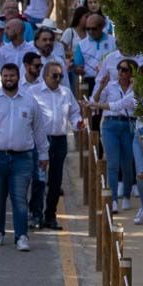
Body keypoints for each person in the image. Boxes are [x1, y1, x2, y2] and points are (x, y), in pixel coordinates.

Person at [0, 63, 49, 251]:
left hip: (23, 158)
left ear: (18, 77)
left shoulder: (30, 101)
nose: (9, 79)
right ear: (1, 77)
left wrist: (44, 153)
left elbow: (39, 129)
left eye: (12, 76)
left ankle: (21, 236)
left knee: (19, 198)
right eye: (5, 76)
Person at [31, 60, 83, 231]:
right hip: (40, 140)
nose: (58, 79)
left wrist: (78, 123)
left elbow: (74, 113)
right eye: (55, 75)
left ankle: (50, 215)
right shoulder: (33, 92)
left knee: (55, 180)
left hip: (60, 140)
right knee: (39, 179)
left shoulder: (66, 93)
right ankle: (36, 215)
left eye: (61, 76)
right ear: (45, 76)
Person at [92, 57, 138, 213]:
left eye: (125, 70)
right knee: (112, 163)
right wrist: (100, 86)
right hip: (110, 124)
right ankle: (113, 201)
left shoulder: (136, 89)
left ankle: (126, 196)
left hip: (128, 124)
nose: (120, 72)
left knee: (127, 162)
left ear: (132, 73)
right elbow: (96, 100)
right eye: (119, 69)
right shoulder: (110, 86)